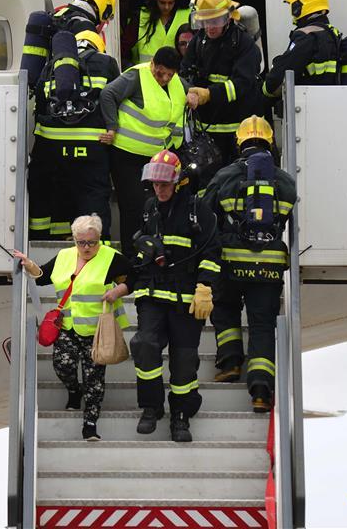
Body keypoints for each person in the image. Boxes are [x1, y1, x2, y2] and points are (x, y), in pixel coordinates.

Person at [201, 116, 296, 412]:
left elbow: (205, 214)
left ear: (239, 141)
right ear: (270, 142)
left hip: (230, 263)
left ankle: (230, 363)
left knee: (226, 311)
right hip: (268, 268)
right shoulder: (284, 180)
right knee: (262, 327)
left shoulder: (224, 175)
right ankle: (260, 390)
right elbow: (289, 219)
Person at [128, 150, 221, 442]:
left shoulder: (198, 210)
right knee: (144, 345)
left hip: (185, 300)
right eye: (155, 184)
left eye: (164, 184)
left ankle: (180, 415)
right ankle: (151, 407)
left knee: (183, 360)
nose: (159, 189)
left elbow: (211, 253)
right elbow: (142, 251)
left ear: (178, 181)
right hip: (152, 295)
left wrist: (205, 287)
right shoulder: (149, 208)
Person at [13, 214, 133, 441]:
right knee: (62, 365)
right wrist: (29, 264)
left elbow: (135, 277)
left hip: (97, 331)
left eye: (92, 242)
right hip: (68, 326)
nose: (87, 247)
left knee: (94, 379)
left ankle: (90, 424)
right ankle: (73, 390)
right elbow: (42, 277)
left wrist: (119, 290)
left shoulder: (112, 257)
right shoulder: (64, 256)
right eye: (81, 242)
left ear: (99, 238)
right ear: (74, 239)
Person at [99, 46, 199, 258]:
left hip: (156, 158)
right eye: (159, 72)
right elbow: (108, 94)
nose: (163, 78)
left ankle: (153, 254)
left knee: (156, 207)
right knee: (133, 207)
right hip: (127, 154)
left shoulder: (177, 82)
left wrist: (193, 94)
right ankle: (130, 260)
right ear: (153, 63)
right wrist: (112, 126)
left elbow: (189, 90)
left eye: (169, 75)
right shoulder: (137, 75)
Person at [28, 31, 121, 239]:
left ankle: (45, 243)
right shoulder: (107, 63)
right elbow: (115, 101)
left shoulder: (52, 64)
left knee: (50, 195)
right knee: (94, 195)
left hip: (51, 144)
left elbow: (41, 106)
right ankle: (97, 248)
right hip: (92, 144)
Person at [181, 0, 262, 168]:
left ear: (228, 17)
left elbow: (241, 84)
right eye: (204, 22)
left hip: (237, 131)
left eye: (215, 21)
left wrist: (209, 94)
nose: (209, 27)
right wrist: (189, 90)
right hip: (206, 131)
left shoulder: (244, 45)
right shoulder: (199, 41)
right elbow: (185, 70)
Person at [262, 0, 343, 99]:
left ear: (299, 7)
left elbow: (275, 80)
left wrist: (265, 88)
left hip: (308, 103)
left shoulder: (306, 35)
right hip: (329, 100)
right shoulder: (331, 32)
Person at [126, 0, 190, 66]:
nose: (166, 7)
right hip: (147, 74)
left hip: (177, 73)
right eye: (162, 2)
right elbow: (124, 46)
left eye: (171, 3)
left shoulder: (186, 15)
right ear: (155, 0)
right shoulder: (141, 17)